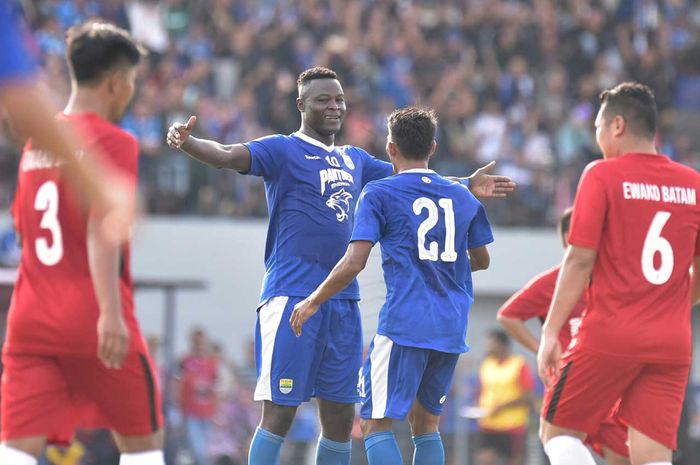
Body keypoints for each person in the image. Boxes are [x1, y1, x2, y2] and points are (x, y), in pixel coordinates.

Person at [166, 67, 515, 465]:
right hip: (292, 295)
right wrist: (188, 142)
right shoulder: (282, 149)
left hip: (344, 302)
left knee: (339, 417)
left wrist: (467, 182)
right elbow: (228, 156)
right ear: (301, 105)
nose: (334, 107)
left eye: (339, 100)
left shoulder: (356, 160)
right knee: (279, 411)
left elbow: (414, 177)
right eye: (323, 100)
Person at [290, 106, 494, 465]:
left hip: (404, 325)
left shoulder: (380, 193)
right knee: (426, 423)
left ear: (390, 149)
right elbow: (481, 260)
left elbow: (355, 260)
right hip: (450, 326)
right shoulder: (463, 197)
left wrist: (314, 300)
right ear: (433, 147)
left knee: (374, 424)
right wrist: (437, 267)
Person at [2, 21, 164, 465]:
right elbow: (103, 227)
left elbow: (22, 228)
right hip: (94, 318)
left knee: (16, 451)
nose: (130, 91)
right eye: (131, 81)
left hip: (30, 319)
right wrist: (111, 314)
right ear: (115, 83)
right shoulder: (115, 141)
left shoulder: (38, 139)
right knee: (143, 447)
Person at [537, 82, 700, 465]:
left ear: (618, 126)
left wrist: (549, 331)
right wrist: (675, 307)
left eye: (598, 127)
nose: (597, 137)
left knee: (556, 432)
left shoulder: (602, 175)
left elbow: (579, 259)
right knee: (651, 455)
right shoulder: (695, 185)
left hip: (610, 333)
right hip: (672, 342)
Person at [497, 208, 630, 465]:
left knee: (623, 458)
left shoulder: (613, 277)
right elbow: (508, 315)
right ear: (570, 236)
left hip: (610, 386)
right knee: (557, 439)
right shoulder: (553, 281)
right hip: (570, 380)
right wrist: (543, 349)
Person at [0, 1, 133, 245]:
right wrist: (102, 191)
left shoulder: (35, 147)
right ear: (114, 82)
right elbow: (18, 96)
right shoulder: (116, 141)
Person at [474, 330, 534, 465]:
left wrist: (502, 407)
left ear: (502, 345)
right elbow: (483, 390)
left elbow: (528, 396)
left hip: (512, 427)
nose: (487, 347)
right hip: (488, 424)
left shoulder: (519, 364)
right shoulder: (487, 364)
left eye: (491, 343)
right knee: (484, 460)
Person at [178, 329, 218, 465]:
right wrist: (179, 408)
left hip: (208, 412)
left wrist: (217, 411)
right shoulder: (185, 361)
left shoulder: (211, 362)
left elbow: (216, 387)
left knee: (207, 450)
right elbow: (177, 385)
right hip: (191, 412)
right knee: (198, 449)